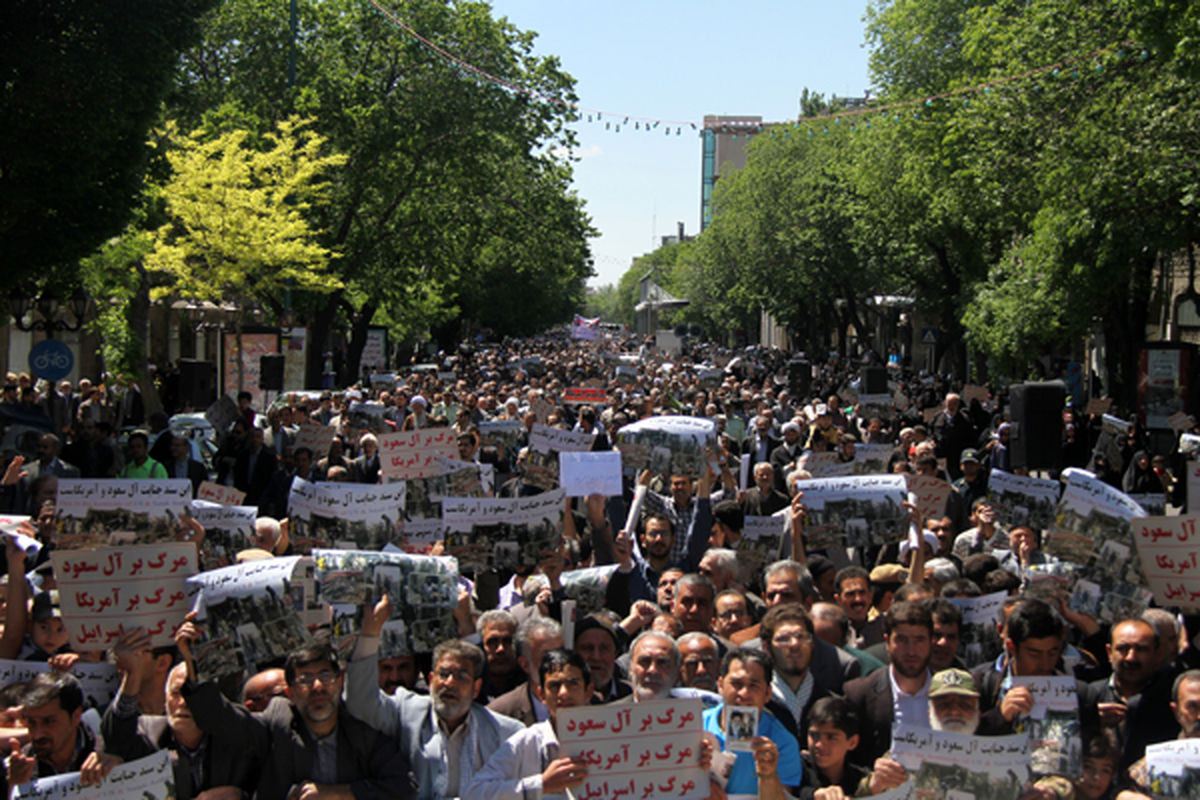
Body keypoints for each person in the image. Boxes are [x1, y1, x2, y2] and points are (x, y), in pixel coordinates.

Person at [175, 615, 414, 799]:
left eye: (325, 676)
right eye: (305, 679)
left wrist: (336, 793)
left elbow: (404, 787)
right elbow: (220, 718)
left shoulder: (361, 729)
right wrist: (194, 660)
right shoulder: (278, 724)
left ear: (340, 682)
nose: (318, 686)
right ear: (290, 692)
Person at [345, 595, 523, 800]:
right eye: (444, 674)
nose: (449, 683)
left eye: (460, 676)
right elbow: (360, 705)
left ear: (476, 688)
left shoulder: (506, 734)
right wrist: (370, 632)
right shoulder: (406, 711)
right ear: (430, 680)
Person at [101, 629, 260, 799]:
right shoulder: (151, 736)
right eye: (176, 693)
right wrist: (132, 673)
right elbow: (117, 733)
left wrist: (240, 796)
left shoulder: (237, 741)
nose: (184, 703)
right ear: (165, 697)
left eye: (191, 696)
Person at [464, 649, 597, 800]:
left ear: (588, 692)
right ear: (541, 695)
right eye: (554, 685)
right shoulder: (527, 741)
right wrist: (541, 784)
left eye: (573, 684)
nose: (563, 693)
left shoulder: (610, 739)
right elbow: (473, 793)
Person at [842, 601, 934, 768]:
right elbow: (848, 762)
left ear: (931, 642)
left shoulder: (953, 694)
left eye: (919, 640)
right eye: (902, 640)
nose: (911, 650)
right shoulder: (859, 694)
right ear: (887, 641)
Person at [703, 648, 803, 798]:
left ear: (768, 693)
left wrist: (768, 775)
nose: (744, 694)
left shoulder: (782, 742)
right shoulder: (694, 726)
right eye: (736, 684)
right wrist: (698, 785)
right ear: (721, 685)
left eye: (754, 686)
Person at [3, 673, 98, 796]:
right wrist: (15, 788)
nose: (37, 734)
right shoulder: (16, 768)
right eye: (31, 722)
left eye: (48, 721)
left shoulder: (107, 756)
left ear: (76, 716)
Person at [486, 617, 563, 727]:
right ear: (525, 664)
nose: (558, 663)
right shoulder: (498, 715)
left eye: (561, 653)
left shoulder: (593, 703)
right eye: (548, 657)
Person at [797, 697, 870, 800]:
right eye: (814, 735)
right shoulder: (795, 770)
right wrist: (814, 795)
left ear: (852, 742)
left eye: (831, 737)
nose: (819, 745)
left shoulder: (861, 780)